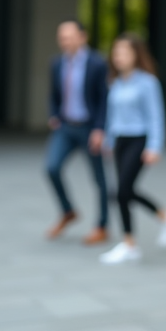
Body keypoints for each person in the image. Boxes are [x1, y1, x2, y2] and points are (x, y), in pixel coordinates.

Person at [98, 33, 166, 264]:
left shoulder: (148, 82)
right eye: (116, 53)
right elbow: (112, 115)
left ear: (136, 54)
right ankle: (161, 220)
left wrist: (155, 146)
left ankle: (133, 241)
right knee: (125, 192)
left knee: (122, 191)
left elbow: (156, 117)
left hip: (139, 140)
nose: (119, 57)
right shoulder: (115, 82)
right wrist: (108, 140)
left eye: (124, 52)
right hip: (121, 141)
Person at [45, 19, 110, 245]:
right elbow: (54, 94)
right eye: (62, 38)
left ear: (83, 37)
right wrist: (54, 115)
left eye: (70, 37)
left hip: (89, 128)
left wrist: (100, 129)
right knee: (51, 167)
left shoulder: (97, 63)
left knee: (99, 179)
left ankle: (102, 225)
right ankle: (67, 211)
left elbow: (104, 99)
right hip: (65, 127)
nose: (65, 42)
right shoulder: (56, 63)